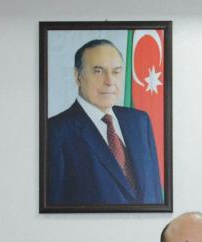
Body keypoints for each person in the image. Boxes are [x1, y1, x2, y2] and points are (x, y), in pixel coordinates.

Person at [47, 39, 163, 206]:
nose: (109, 81)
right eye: (98, 71)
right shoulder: (55, 132)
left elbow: (155, 193)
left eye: (116, 72)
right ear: (78, 76)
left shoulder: (139, 122)